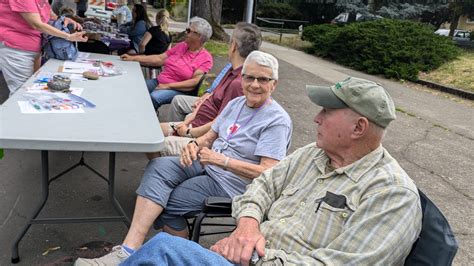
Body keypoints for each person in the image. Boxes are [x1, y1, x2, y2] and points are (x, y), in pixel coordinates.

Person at [118, 76, 423, 265]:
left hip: (256, 260)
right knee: (164, 236)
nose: (316, 118)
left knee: (164, 251)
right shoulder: (314, 155)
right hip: (246, 251)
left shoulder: (392, 194)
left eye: (327, 112)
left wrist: (248, 254)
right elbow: (263, 185)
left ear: (359, 128)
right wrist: (247, 226)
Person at [74, 51, 293, 265]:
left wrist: (221, 161)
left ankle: (181, 256)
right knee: (159, 166)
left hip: (231, 184)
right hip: (207, 163)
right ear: (242, 78)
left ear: (274, 84)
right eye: (250, 77)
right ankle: (129, 249)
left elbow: (268, 172)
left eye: (263, 79)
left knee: (169, 202)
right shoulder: (236, 104)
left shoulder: (276, 120)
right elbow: (209, 136)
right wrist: (194, 145)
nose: (255, 84)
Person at [147, 22, 262, 159]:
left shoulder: (238, 83)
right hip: (196, 124)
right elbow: (211, 96)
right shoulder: (232, 69)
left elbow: (219, 125)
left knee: (154, 144)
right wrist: (189, 119)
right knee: (152, 131)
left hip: (202, 138)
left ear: (234, 46)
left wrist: (188, 132)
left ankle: (164, 170)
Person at [121, 17, 213, 110]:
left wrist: (168, 86)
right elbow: (159, 58)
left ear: (199, 36)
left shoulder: (205, 58)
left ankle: (145, 120)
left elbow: (193, 83)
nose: (185, 32)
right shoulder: (182, 46)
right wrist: (132, 58)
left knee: (154, 97)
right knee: (136, 87)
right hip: (160, 81)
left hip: (179, 89)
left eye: (189, 30)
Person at [0, 0, 88, 97]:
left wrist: (62, 19)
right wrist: (68, 36)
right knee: (21, 93)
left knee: (33, 88)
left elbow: (48, 13)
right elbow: (36, 24)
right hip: (16, 49)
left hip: (33, 47)